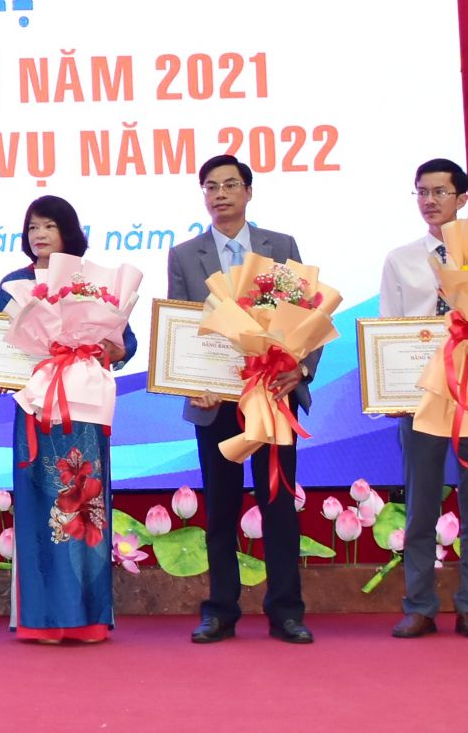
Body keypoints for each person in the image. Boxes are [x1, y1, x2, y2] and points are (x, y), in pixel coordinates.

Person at [167, 154, 317, 645]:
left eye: (230, 185)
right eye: (211, 187)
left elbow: (309, 316)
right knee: (221, 508)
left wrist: (300, 369)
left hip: (271, 395)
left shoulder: (281, 246)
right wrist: (190, 382)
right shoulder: (184, 255)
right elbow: (180, 326)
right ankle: (221, 611)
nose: (221, 194)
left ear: (248, 192)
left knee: (278, 505)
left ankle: (286, 612)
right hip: (215, 401)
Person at [0, 195, 135, 643]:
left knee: (86, 508)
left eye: (48, 226)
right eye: (32, 226)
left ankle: (88, 618)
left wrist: (105, 347)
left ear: (67, 231)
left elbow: (125, 344)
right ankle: (42, 619)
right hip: (35, 409)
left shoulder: (92, 284)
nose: (39, 234)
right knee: (38, 508)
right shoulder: (14, 285)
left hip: (84, 412)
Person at [379, 158, 468, 640]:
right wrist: (387, 388)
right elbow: (387, 329)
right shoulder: (401, 259)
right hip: (421, 397)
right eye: (422, 192)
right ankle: (419, 606)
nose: (429, 201)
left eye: (439, 192)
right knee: (420, 505)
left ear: (462, 198)